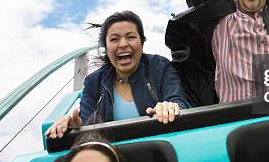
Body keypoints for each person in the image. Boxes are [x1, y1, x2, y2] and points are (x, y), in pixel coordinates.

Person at [46, 11, 189, 139]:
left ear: (142, 42)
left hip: (161, 147)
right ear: (106, 47)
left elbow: (179, 102)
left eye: (131, 37)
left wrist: (170, 107)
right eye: (114, 39)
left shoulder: (160, 67)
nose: (123, 44)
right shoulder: (93, 81)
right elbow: (87, 125)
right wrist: (75, 126)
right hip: (112, 158)